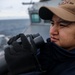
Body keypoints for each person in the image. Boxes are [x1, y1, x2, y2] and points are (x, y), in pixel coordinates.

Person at [4, 0, 75, 75]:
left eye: (62, 24)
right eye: (52, 23)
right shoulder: (51, 52)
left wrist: (25, 70)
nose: (52, 31)